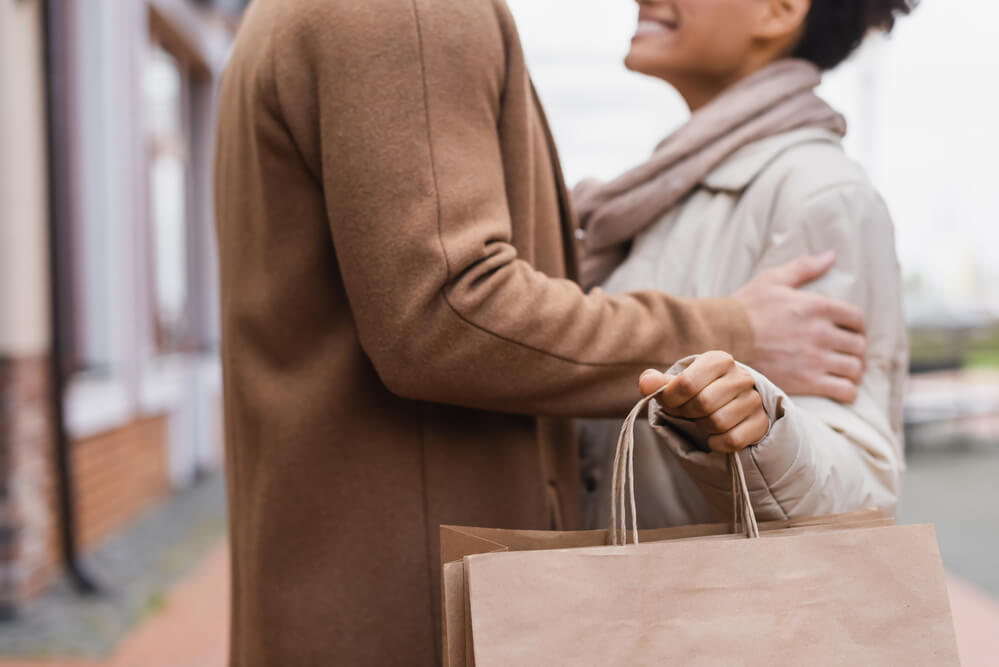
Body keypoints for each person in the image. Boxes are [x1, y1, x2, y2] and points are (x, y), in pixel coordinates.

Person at [213, 0, 869, 664]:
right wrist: (731, 331)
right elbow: (445, 310)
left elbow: (858, 479)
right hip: (417, 610)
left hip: (374, 594)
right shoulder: (407, 12)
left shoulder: (812, 193)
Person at [578, 0, 914, 531]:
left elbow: (860, 486)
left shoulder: (821, 192)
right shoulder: (663, 193)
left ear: (779, 11)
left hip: (702, 606)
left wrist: (761, 431)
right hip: (634, 598)